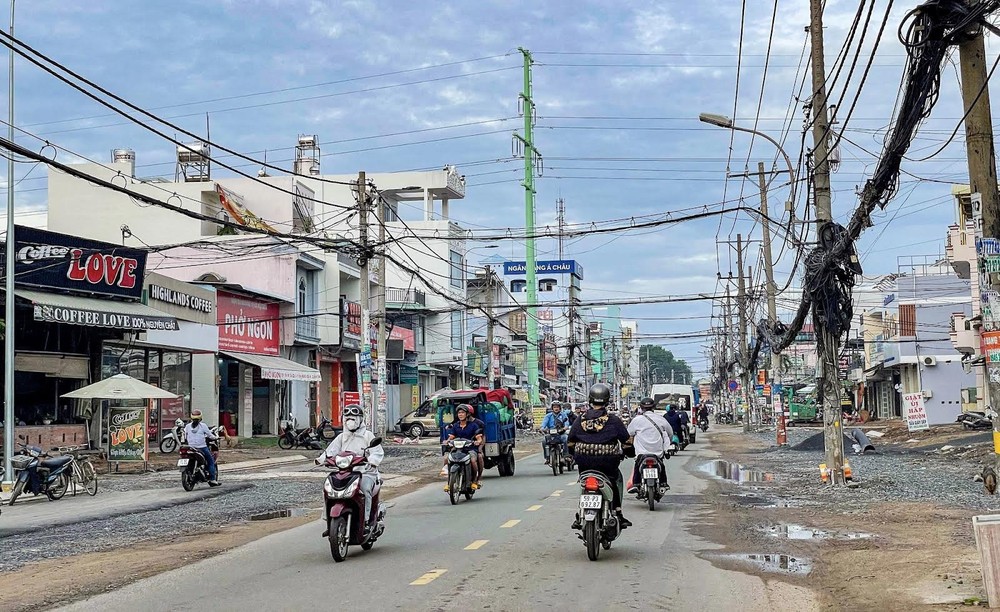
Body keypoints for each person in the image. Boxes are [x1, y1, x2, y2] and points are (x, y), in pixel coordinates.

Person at [568, 383, 632, 530]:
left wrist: (573, 455)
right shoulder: (614, 420)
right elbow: (626, 442)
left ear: (590, 399)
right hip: (607, 462)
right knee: (614, 481)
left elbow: (571, 441)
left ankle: (581, 513)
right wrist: (629, 452)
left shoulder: (579, 419)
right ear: (607, 400)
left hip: (583, 461)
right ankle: (618, 513)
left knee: (584, 483)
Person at [316, 404, 384, 537]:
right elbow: (331, 451)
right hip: (345, 471)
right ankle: (329, 522)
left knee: (364, 490)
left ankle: (366, 522)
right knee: (328, 488)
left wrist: (372, 461)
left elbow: (377, 452)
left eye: (353, 417)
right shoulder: (342, 437)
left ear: (360, 419)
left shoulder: (367, 435)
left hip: (365, 472)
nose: (350, 421)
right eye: (347, 418)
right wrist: (321, 459)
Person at [626, 397, 672, 494]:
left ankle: (636, 484)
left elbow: (628, 433)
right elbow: (670, 433)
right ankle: (663, 483)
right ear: (654, 407)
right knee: (661, 466)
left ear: (641, 408)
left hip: (642, 454)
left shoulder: (637, 420)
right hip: (657, 453)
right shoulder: (661, 419)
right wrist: (666, 446)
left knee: (637, 465)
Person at [444, 404, 484, 490]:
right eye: (459, 413)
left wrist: (478, 442)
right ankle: (448, 482)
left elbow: (479, 437)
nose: (460, 414)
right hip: (458, 449)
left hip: (470, 449)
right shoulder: (455, 425)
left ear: (467, 414)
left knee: (473, 461)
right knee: (447, 459)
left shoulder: (474, 425)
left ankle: (474, 480)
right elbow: (452, 436)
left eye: (462, 412)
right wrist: (447, 441)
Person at [183, 409, 220, 486]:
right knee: (210, 461)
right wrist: (216, 438)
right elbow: (210, 435)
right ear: (200, 418)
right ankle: (212, 479)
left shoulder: (187, 426)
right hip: (202, 447)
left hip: (190, 447)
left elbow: (185, 436)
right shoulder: (203, 426)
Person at [467, 404, 487, 487]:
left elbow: (483, 437)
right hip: (462, 447)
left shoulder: (478, 424)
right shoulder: (458, 424)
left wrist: (480, 447)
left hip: (474, 447)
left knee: (479, 457)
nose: (460, 415)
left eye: (463, 412)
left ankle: (478, 478)